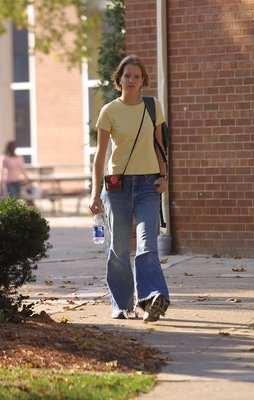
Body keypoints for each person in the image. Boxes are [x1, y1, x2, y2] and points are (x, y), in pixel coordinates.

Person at [88, 55, 170, 322]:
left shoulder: (153, 106)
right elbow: (100, 156)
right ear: (119, 80)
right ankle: (121, 304)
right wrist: (94, 193)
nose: (132, 80)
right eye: (127, 76)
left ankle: (151, 300)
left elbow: (160, 146)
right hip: (116, 187)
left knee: (148, 244)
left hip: (148, 185)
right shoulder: (109, 111)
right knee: (119, 249)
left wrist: (164, 176)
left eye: (137, 76)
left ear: (143, 79)